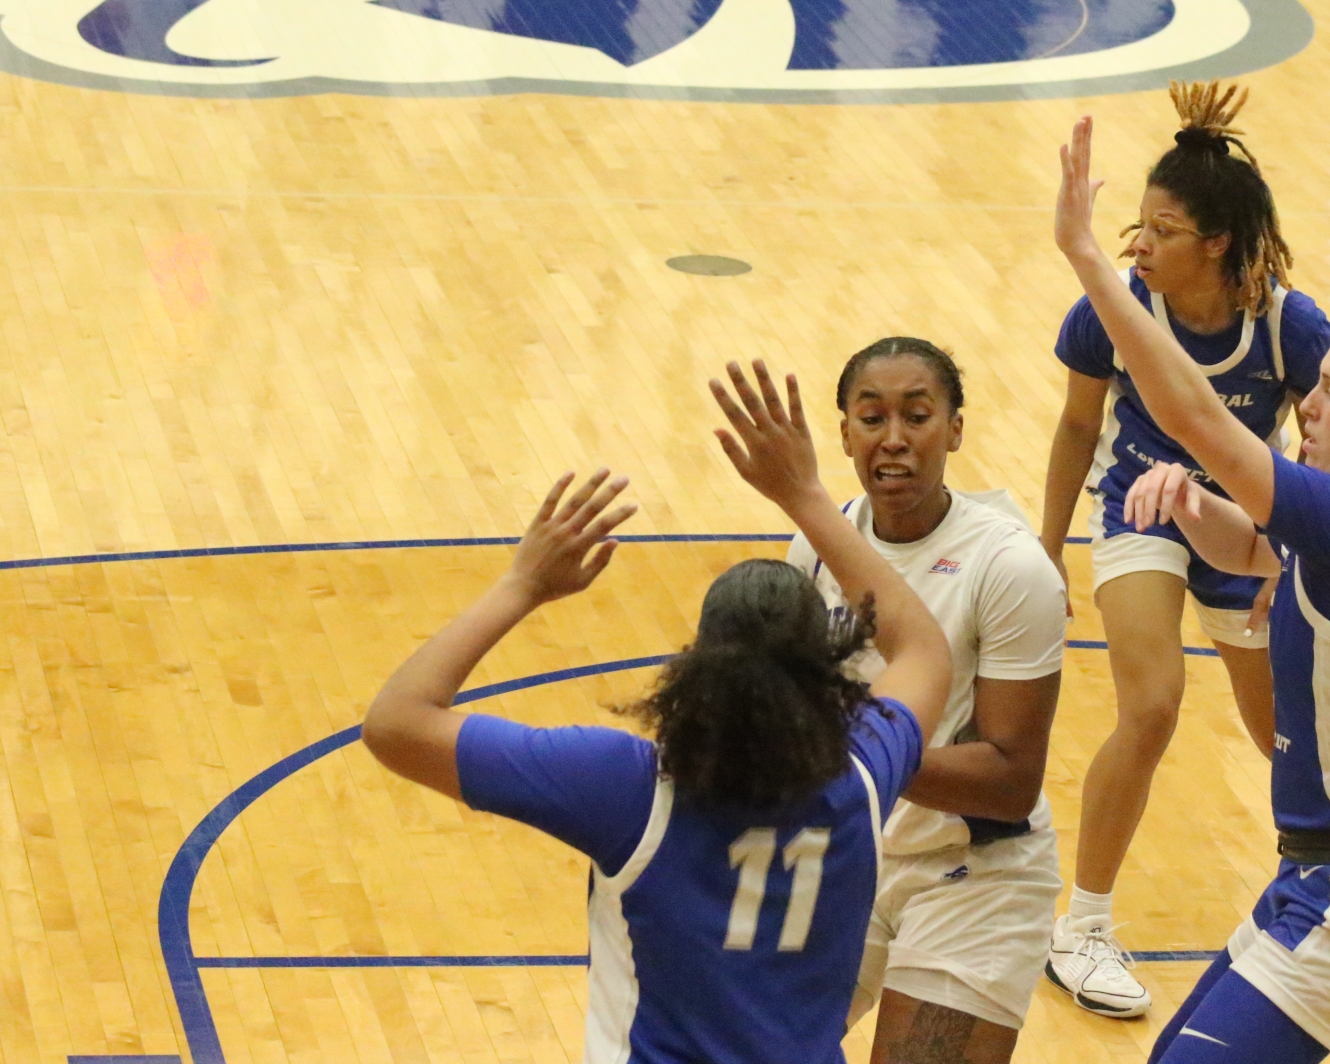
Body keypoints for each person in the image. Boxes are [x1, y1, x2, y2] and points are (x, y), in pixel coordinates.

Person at [360, 358, 954, 1064]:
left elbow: (395, 722)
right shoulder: (864, 771)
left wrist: (523, 585)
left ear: (695, 670)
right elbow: (922, 648)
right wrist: (805, 497)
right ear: (830, 671)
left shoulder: (627, 787)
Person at [1058, 111, 1330, 1063]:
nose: (1310, 407)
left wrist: (1088, 257)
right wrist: (1190, 505)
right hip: (1327, 877)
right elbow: (1261, 551)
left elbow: (1196, 415)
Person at [1043, 81, 1330, 1020]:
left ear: (1216, 243)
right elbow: (1076, 428)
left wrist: (1292, 557)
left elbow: (1327, 451)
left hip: (1245, 535)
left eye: (1162, 231)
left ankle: (1322, 899)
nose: (1139, 245)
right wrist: (1047, 547)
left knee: (1285, 736)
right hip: (1139, 512)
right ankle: (1082, 926)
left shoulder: (1290, 325)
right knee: (1154, 705)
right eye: (1136, 226)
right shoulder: (1113, 310)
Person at [788, 337, 1067, 1064]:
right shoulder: (816, 547)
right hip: (852, 855)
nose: (894, 438)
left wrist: (843, 746)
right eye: (872, 417)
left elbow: (1010, 781)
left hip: (976, 873)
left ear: (955, 430)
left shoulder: (1009, 566)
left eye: (916, 416)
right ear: (844, 433)